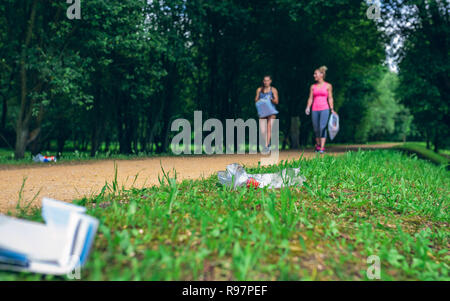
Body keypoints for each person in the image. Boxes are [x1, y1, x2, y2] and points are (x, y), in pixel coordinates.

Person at [305, 66, 335, 154]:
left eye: (315, 74)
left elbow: (330, 98)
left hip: (325, 108)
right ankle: (318, 145)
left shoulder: (328, 86)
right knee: (316, 129)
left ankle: (322, 147)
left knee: (322, 127)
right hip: (314, 109)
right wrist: (308, 107)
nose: (314, 75)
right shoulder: (312, 86)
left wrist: (332, 108)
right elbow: (310, 98)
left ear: (321, 75)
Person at [255, 75, 279, 152]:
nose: (266, 82)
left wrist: (271, 99)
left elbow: (276, 101)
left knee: (269, 128)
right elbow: (256, 100)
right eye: (265, 80)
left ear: (270, 81)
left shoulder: (273, 90)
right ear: (263, 81)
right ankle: (267, 144)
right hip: (262, 112)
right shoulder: (259, 90)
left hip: (271, 112)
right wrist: (261, 100)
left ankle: (267, 146)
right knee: (262, 130)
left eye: (268, 80)